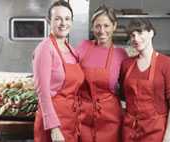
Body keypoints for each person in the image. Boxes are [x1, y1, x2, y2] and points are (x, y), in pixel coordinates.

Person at [32, 1, 84, 142]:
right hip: (53, 123)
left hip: (71, 120)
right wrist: (54, 128)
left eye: (67, 19)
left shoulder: (72, 50)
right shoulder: (45, 49)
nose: (63, 23)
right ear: (50, 21)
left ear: (72, 21)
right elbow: (42, 91)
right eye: (58, 18)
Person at [76, 5, 128, 142]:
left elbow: (126, 90)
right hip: (83, 117)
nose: (102, 30)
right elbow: (69, 75)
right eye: (98, 26)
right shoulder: (83, 47)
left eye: (106, 25)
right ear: (92, 27)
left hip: (110, 119)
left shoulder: (121, 55)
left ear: (114, 26)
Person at [120, 18, 170, 142]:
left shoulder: (166, 64)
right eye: (132, 35)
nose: (135, 39)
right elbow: (123, 98)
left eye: (140, 32)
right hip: (129, 131)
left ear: (151, 33)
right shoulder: (126, 64)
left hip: (156, 131)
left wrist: (168, 136)